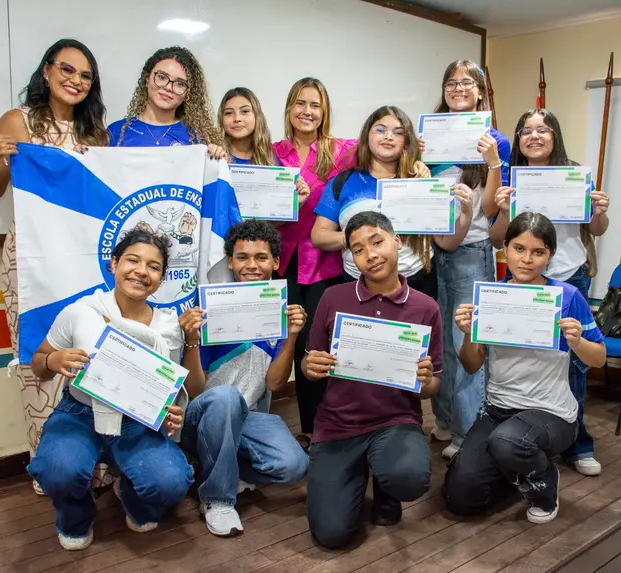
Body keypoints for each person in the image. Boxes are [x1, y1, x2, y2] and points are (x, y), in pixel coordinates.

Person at [0, 38, 109, 495]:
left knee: (87, 351)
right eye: (67, 70)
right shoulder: (20, 122)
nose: (76, 80)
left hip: (82, 262)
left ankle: (95, 461)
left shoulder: (96, 134)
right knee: (40, 353)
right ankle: (50, 462)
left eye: (85, 75)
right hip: (31, 262)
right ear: (47, 71)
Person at [26, 229, 202, 550]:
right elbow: (38, 364)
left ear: (162, 278)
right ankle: (75, 517)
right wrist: (53, 359)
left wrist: (170, 410)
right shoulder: (82, 311)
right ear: (113, 264)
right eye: (132, 260)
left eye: (153, 266)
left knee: (171, 481)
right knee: (57, 471)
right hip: (79, 413)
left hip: (137, 420)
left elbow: (169, 385)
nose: (141, 271)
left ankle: (134, 499)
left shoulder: (168, 326)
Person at [443, 212, 606, 524]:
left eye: (538, 252)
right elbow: (471, 364)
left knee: (509, 441)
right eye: (519, 249)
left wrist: (577, 342)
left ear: (550, 255)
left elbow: (598, 358)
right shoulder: (492, 296)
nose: (527, 260)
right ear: (505, 247)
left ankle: (544, 484)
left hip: (551, 413)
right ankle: (516, 470)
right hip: (498, 410)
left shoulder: (567, 296)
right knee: (461, 498)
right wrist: (468, 333)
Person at [302, 211, 442, 549]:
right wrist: (311, 366)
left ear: (397, 241)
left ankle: (385, 483)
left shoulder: (426, 307)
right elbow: (309, 362)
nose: (371, 254)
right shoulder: (333, 298)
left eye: (377, 242)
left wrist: (424, 380)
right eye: (358, 249)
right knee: (331, 534)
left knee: (408, 479)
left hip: (395, 420)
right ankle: (356, 470)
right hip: (339, 424)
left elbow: (432, 386)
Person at [489, 109, 611, 477]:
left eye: (543, 129)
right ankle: (527, 434)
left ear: (555, 136)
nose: (534, 136)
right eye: (526, 130)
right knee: (527, 357)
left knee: (574, 362)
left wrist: (599, 210)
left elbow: (597, 228)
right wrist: (503, 208)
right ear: (518, 138)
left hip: (569, 276)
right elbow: (497, 239)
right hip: (523, 281)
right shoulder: (509, 178)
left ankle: (578, 443)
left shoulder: (574, 174)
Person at [181, 220, 310, 537]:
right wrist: (192, 340)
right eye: (242, 257)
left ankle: (215, 466)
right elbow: (194, 390)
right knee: (226, 397)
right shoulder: (210, 310)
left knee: (294, 465)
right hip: (205, 414)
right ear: (229, 261)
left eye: (261, 257)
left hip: (248, 417)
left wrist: (292, 336)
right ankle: (217, 499)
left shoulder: (280, 312)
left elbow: (275, 384)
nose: (251, 265)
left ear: (275, 262)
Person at [425, 59, 511, 460]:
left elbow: (493, 208)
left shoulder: (495, 140)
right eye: (451, 82)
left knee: (466, 345)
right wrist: (417, 164)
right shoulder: (428, 136)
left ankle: (466, 434)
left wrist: (493, 160)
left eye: (466, 82)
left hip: (472, 251)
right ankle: (444, 420)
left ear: (480, 91)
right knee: (438, 342)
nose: (458, 88)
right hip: (430, 252)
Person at [272, 77, 358, 453]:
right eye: (300, 103)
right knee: (291, 342)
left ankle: (333, 427)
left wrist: (417, 162)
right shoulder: (272, 151)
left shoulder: (342, 151)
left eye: (315, 105)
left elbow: (386, 151)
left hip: (326, 261)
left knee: (321, 344)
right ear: (289, 108)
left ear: (324, 113)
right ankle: (309, 430)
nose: (307, 111)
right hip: (283, 262)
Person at [312, 105, 445, 300]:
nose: (388, 136)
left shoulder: (421, 179)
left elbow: (442, 234)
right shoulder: (343, 182)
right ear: (367, 135)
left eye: (398, 132)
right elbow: (318, 236)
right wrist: (358, 238)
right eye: (381, 130)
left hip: (417, 282)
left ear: (406, 141)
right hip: (356, 283)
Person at [108, 46, 225, 158]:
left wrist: (216, 158)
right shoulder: (116, 132)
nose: (168, 87)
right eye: (162, 77)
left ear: (189, 94)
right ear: (146, 78)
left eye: (180, 84)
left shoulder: (199, 139)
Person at [218, 87, 311, 213]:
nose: (237, 118)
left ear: (257, 116)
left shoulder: (271, 159)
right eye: (229, 113)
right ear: (221, 119)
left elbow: (273, 219)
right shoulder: (215, 156)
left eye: (245, 111)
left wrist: (294, 203)